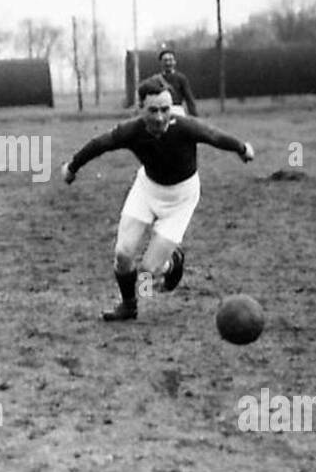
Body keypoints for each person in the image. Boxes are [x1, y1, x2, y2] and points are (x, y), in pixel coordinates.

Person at [62, 77, 254, 321]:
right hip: (147, 190)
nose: (161, 117)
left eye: (165, 109)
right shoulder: (131, 131)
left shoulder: (184, 127)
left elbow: (214, 136)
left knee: (147, 272)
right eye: (153, 110)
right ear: (140, 108)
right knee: (122, 254)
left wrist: (242, 148)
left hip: (181, 199)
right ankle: (129, 307)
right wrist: (72, 167)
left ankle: (171, 264)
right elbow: (100, 144)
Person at [150, 48, 199, 117]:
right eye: (165, 60)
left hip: (177, 111)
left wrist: (194, 116)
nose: (168, 63)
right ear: (160, 62)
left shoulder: (181, 78)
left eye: (170, 60)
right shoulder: (155, 79)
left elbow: (189, 98)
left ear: (174, 62)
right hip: (161, 113)